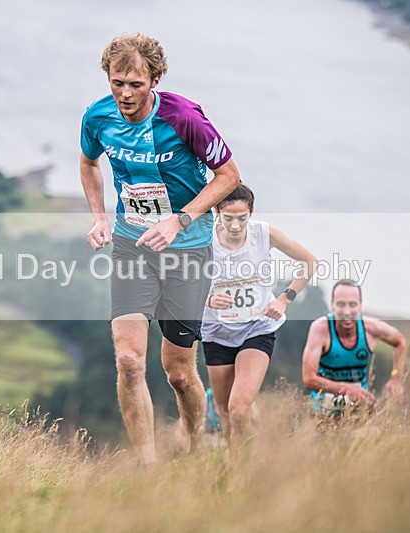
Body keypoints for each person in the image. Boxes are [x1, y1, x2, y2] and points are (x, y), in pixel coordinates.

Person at [79, 33, 241, 466]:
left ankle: (195, 445)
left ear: (155, 80)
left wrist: (179, 219)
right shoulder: (97, 117)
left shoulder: (183, 118)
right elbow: (89, 163)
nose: (125, 94)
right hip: (132, 245)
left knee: (180, 374)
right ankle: (149, 468)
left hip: (188, 250)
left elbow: (228, 176)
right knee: (129, 361)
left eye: (135, 84)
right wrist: (99, 217)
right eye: (117, 83)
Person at [202, 183, 317, 445]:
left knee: (238, 409)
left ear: (251, 213)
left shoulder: (264, 234)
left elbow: (310, 261)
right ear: (217, 213)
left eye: (242, 218)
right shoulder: (204, 239)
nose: (235, 225)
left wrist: (284, 299)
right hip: (216, 332)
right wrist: (208, 300)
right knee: (224, 413)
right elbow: (180, 282)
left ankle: (253, 465)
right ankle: (236, 464)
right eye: (228, 218)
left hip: (257, 328)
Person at [301, 279, 407, 415]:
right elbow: (309, 379)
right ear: (332, 304)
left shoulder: (371, 328)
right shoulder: (320, 329)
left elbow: (400, 341)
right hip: (322, 410)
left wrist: (396, 377)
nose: (347, 312)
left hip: (359, 408)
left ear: (360, 306)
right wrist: (347, 390)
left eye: (352, 304)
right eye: (341, 304)